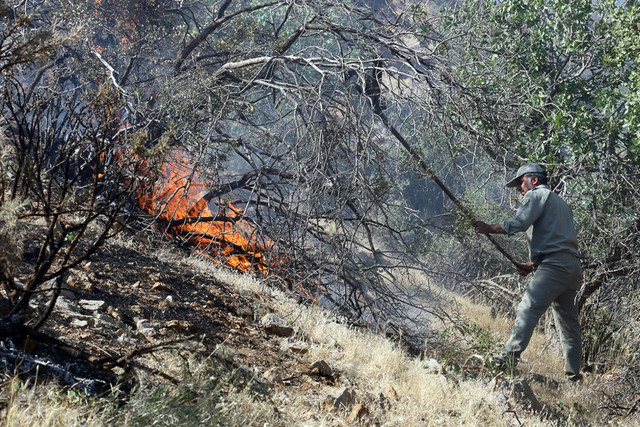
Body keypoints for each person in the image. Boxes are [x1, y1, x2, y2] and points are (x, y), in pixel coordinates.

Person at [473, 162, 583, 382]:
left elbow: (520, 223)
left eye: (520, 183)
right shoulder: (560, 203)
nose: (519, 189)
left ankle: (506, 360)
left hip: (554, 267)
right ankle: (573, 378)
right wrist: (532, 265)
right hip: (572, 268)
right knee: (568, 325)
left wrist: (488, 228)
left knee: (528, 307)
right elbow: (559, 242)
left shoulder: (536, 195)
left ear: (534, 180)